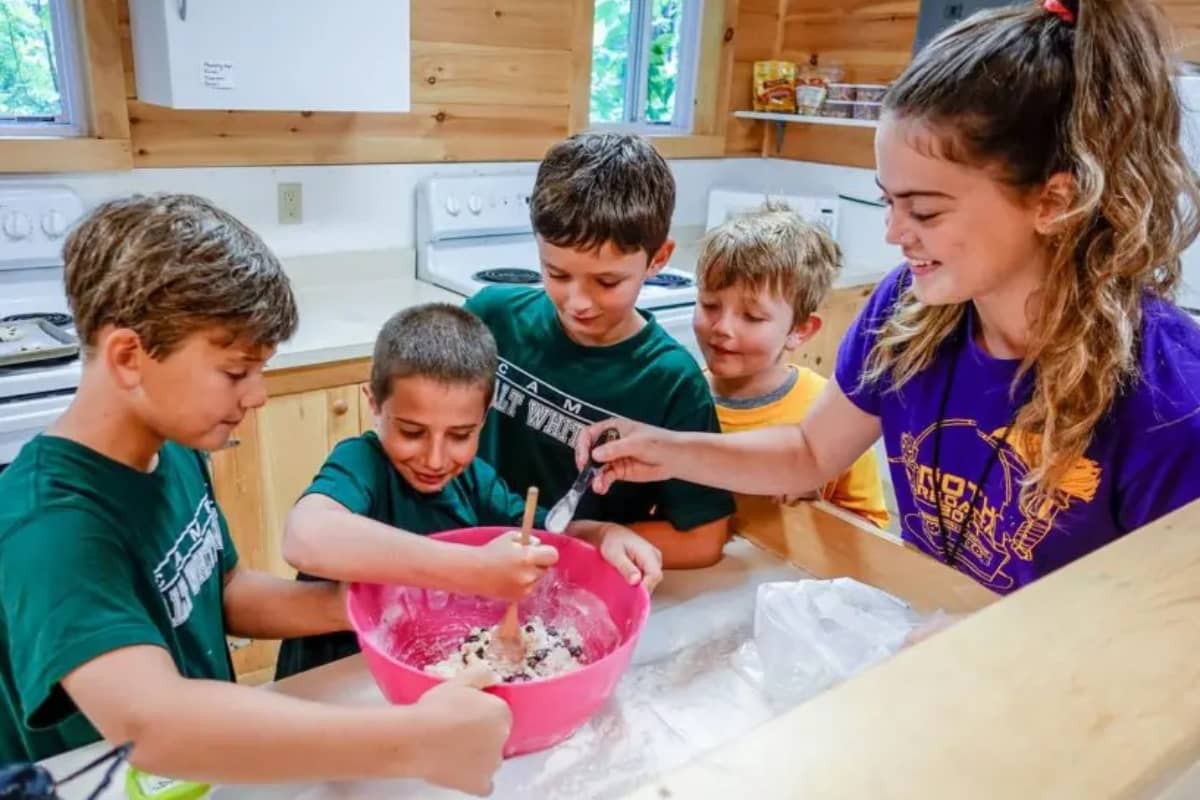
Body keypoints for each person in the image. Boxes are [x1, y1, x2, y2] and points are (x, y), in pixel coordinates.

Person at [575, 0, 1200, 598]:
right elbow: (809, 453)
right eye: (888, 200)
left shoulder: (1170, 400)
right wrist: (663, 448)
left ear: (1053, 202)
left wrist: (993, 649)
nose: (894, 234)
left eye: (923, 210)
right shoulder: (910, 310)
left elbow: (1162, 634)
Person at [0, 195, 508, 796]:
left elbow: (229, 592)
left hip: (192, 773)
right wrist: (413, 743)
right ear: (130, 356)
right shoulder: (50, 526)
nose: (258, 395)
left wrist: (385, 603)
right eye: (237, 371)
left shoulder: (174, 449)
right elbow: (153, 723)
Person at [276, 303, 663, 679]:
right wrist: (473, 570)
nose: (435, 458)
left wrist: (604, 534)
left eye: (461, 435)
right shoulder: (362, 463)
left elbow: (546, 536)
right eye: (412, 432)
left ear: (484, 415)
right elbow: (305, 537)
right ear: (373, 403)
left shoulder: (473, 480)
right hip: (334, 681)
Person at [466, 132, 734, 568]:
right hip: (468, 560)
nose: (578, 301)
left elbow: (704, 539)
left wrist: (596, 542)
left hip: (575, 587)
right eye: (556, 273)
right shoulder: (492, 317)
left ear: (658, 259)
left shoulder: (670, 382)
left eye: (607, 282)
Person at [693, 204, 889, 528]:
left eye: (752, 317)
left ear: (800, 330)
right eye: (710, 305)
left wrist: (816, 509)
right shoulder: (678, 394)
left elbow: (871, 531)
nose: (722, 328)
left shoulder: (832, 412)